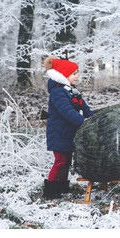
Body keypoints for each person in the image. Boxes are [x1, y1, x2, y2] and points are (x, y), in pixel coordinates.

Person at [43, 56, 93, 199]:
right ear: (64, 75)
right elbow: (67, 112)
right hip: (58, 132)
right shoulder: (58, 92)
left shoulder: (71, 91)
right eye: (74, 74)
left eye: (77, 73)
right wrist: (83, 121)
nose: (77, 76)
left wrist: (92, 117)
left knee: (67, 161)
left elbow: (84, 106)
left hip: (68, 133)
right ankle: (51, 190)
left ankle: (62, 187)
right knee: (60, 161)